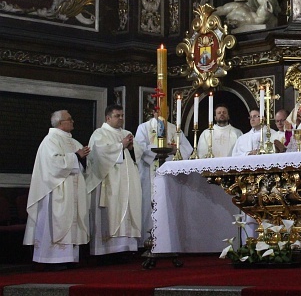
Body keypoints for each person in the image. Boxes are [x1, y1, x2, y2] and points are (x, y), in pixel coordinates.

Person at [23, 110, 89, 269]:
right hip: (55, 191)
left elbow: (83, 162)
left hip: (71, 190)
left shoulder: (72, 141)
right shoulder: (50, 140)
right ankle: (50, 259)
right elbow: (54, 164)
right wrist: (77, 157)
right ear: (60, 123)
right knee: (56, 222)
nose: (73, 121)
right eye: (70, 119)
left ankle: (68, 258)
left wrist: (84, 157)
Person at [86, 104, 143, 257]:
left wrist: (131, 147)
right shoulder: (99, 134)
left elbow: (138, 154)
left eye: (122, 115)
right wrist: (120, 146)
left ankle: (126, 249)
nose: (121, 119)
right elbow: (99, 154)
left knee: (129, 209)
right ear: (108, 118)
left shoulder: (126, 133)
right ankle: (108, 251)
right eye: (117, 116)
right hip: (110, 183)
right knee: (112, 212)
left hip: (127, 181)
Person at [134, 110, 192, 246]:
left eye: (164, 109)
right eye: (158, 110)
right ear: (153, 112)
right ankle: (148, 241)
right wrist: (161, 148)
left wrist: (173, 150)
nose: (161, 113)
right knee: (148, 205)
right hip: (149, 172)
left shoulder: (174, 128)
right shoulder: (144, 127)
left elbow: (187, 148)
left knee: (169, 203)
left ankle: (168, 241)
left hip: (170, 172)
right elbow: (139, 148)